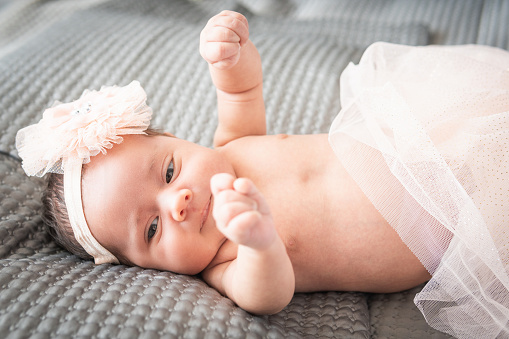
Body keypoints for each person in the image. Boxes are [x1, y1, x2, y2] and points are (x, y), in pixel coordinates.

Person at [16, 10, 509, 338]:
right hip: (457, 236)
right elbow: (268, 297)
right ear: (145, 269)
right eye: (151, 228)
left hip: (420, 145)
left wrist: (228, 60)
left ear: (178, 142)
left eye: (169, 170)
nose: (177, 202)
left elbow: (241, 94)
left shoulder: (231, 146)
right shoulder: (225, 262)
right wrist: (257, 241)